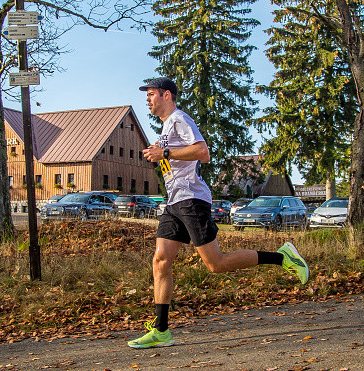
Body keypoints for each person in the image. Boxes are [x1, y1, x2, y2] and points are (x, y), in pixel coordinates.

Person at [128, 77, 310, 349]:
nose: (147, 99)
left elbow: (203, 152)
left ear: (167, 95)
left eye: (151, 94)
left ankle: (282, 257)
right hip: (175, 201)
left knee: (216, 264)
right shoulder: (167, 126)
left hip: (192, 200)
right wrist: (161, 153)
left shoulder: (179, 119)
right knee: (161, 260)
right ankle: (161, 330)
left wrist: (164, 153)